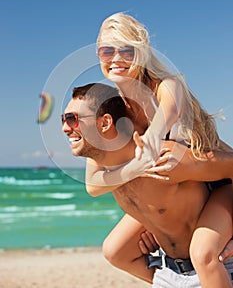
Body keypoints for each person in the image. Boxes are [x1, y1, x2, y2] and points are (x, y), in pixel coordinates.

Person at [88, 12, 233, 287]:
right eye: (107, 50)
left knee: (203, 254)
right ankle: (173, 278)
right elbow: (93, 185)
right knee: (115, 250)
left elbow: (170, 110)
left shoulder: (167, 84)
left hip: (221, 184)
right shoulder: (113, 106)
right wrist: (153, 220)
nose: (116, 59)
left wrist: (152, 137)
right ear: (98, 54)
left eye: (127, 51)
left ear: (141, 53)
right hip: (183, 195)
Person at [61, 82, 233, 287]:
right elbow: (92, 187)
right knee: (114, 250)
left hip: (217, 266)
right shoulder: (104, 167)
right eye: (63, 119)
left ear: (105, 123)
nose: (65, 128)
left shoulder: (164, 157)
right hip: (168, 272)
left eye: (72, 119)